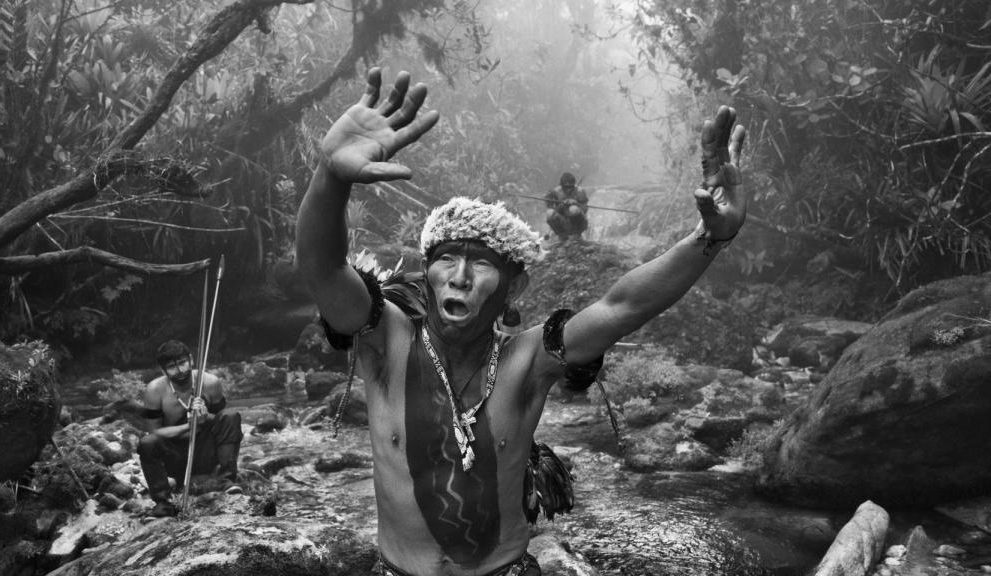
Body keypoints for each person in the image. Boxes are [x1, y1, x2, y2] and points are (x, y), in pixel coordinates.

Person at [295, 68, 746, 576]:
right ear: (426, 273)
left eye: (482, 263)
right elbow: (323, 268)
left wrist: (708, 239)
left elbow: (622, 307)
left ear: (515, 287)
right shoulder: (386, 342)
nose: (460, 277)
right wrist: (330, 177)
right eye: (446, 259)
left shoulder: (529, 360)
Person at [137, 340, 243, 517]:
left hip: (206, 453)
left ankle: (226, 481)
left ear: (191, 360)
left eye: (182, 363)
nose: (180, 371)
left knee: (231, 416)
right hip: (175, 458)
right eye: (172, 367)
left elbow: (221, 421)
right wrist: (188, 426)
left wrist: (204, 417)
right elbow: (153, 433)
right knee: (147, 443)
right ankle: (163, 501)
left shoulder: (210, 382)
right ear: (163, 370)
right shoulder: (155, 390)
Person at [544, 172, 589, 241]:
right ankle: (562, 235)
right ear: (561, 185)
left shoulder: (580, 191)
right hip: (563, 221)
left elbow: (585, 209)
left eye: (571, 187)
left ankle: (576, 234)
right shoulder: (556, 191)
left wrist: (576, 203)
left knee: (573, 209)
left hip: (578, 223)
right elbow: (549, 205)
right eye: (566, 187)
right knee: (549, 213)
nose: (569, 189)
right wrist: (561, 206)